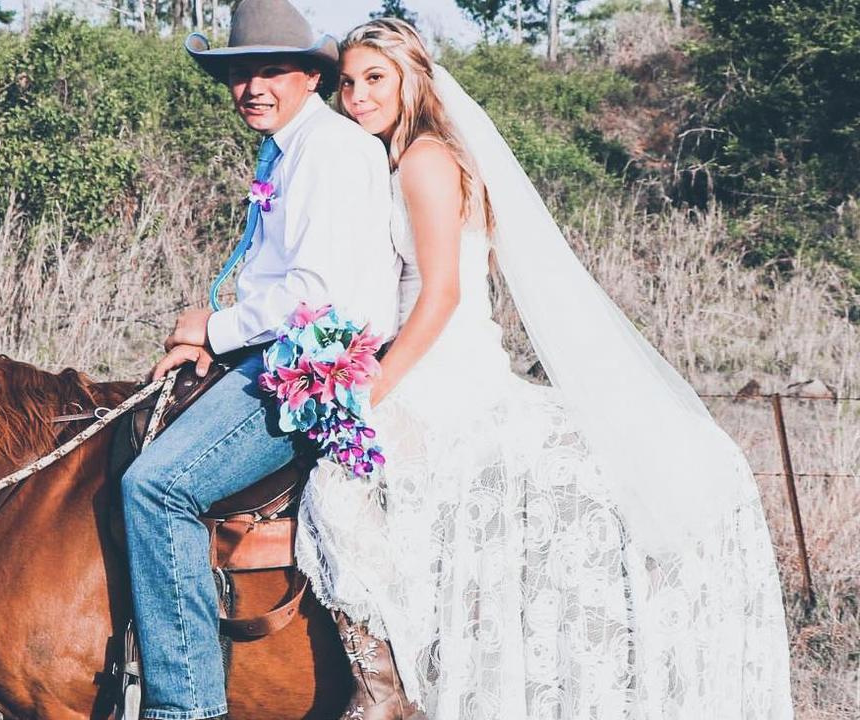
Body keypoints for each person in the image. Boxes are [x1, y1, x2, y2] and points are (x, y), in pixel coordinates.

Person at [294, 18, 795, 720]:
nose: (357, 96)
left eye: (375, 78)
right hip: (441, 356)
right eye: (347, 82)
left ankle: (383, 693)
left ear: (413, 77)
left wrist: (373, 387)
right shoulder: (422, 156)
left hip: (443, 367)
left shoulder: (424, 162)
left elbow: (442, 295)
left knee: (335, 489)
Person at [119, 2, 401, 718]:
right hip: (280, 346)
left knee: (156, 487)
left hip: (320, 364)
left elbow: (317, 294)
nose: (252, 87)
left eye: (270, 71)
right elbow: (274, 281)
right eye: (241, 74)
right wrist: (202, 335)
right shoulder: (287, 147)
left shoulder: (331, 151)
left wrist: (212, 329)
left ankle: (184, 708)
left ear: (311, 75)